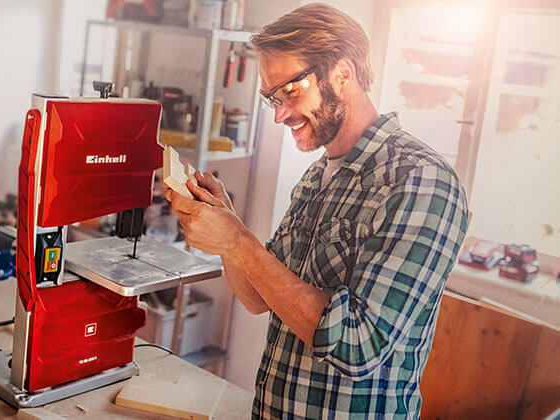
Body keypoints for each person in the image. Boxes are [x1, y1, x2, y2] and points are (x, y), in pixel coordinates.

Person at [165, 3, 469, 419]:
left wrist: (237, 240)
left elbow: (358, 345)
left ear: (342, 74)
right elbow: (257, 298)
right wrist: (225, 227)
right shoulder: (317, 177)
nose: (279, 115)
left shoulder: (421, 181)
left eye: (290, 91)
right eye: (272, 97)